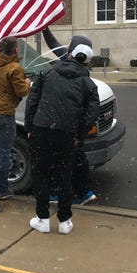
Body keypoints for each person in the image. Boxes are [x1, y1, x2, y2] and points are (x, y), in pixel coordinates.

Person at [25, 44, 99, 234]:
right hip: (67, 135)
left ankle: (42, 218)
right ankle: (64, 221)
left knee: (40, 174)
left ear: (69, 55)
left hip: (42, 129)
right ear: (87, 62)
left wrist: (30, 128)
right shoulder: (88, 85)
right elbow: (91, 115)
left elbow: (32, 101)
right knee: (64, 175)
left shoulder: (47, 74)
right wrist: (79, 135)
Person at [42, 27, 97, 205]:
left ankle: (60, 195)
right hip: (75, 124)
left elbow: (52, 44)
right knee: (76, 158)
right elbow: (91, 110)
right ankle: (84, 192)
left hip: (62, 124)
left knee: (60, 160)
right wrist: (44, 27)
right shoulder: (85, 73)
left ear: (72, 51)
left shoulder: (63, 65)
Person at [0, 36, 31, 199]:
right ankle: (2, 190)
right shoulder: (15, 68)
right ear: (15, 50)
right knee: (4, 152)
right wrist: (27, 82)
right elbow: (22, 91)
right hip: (5, 113)